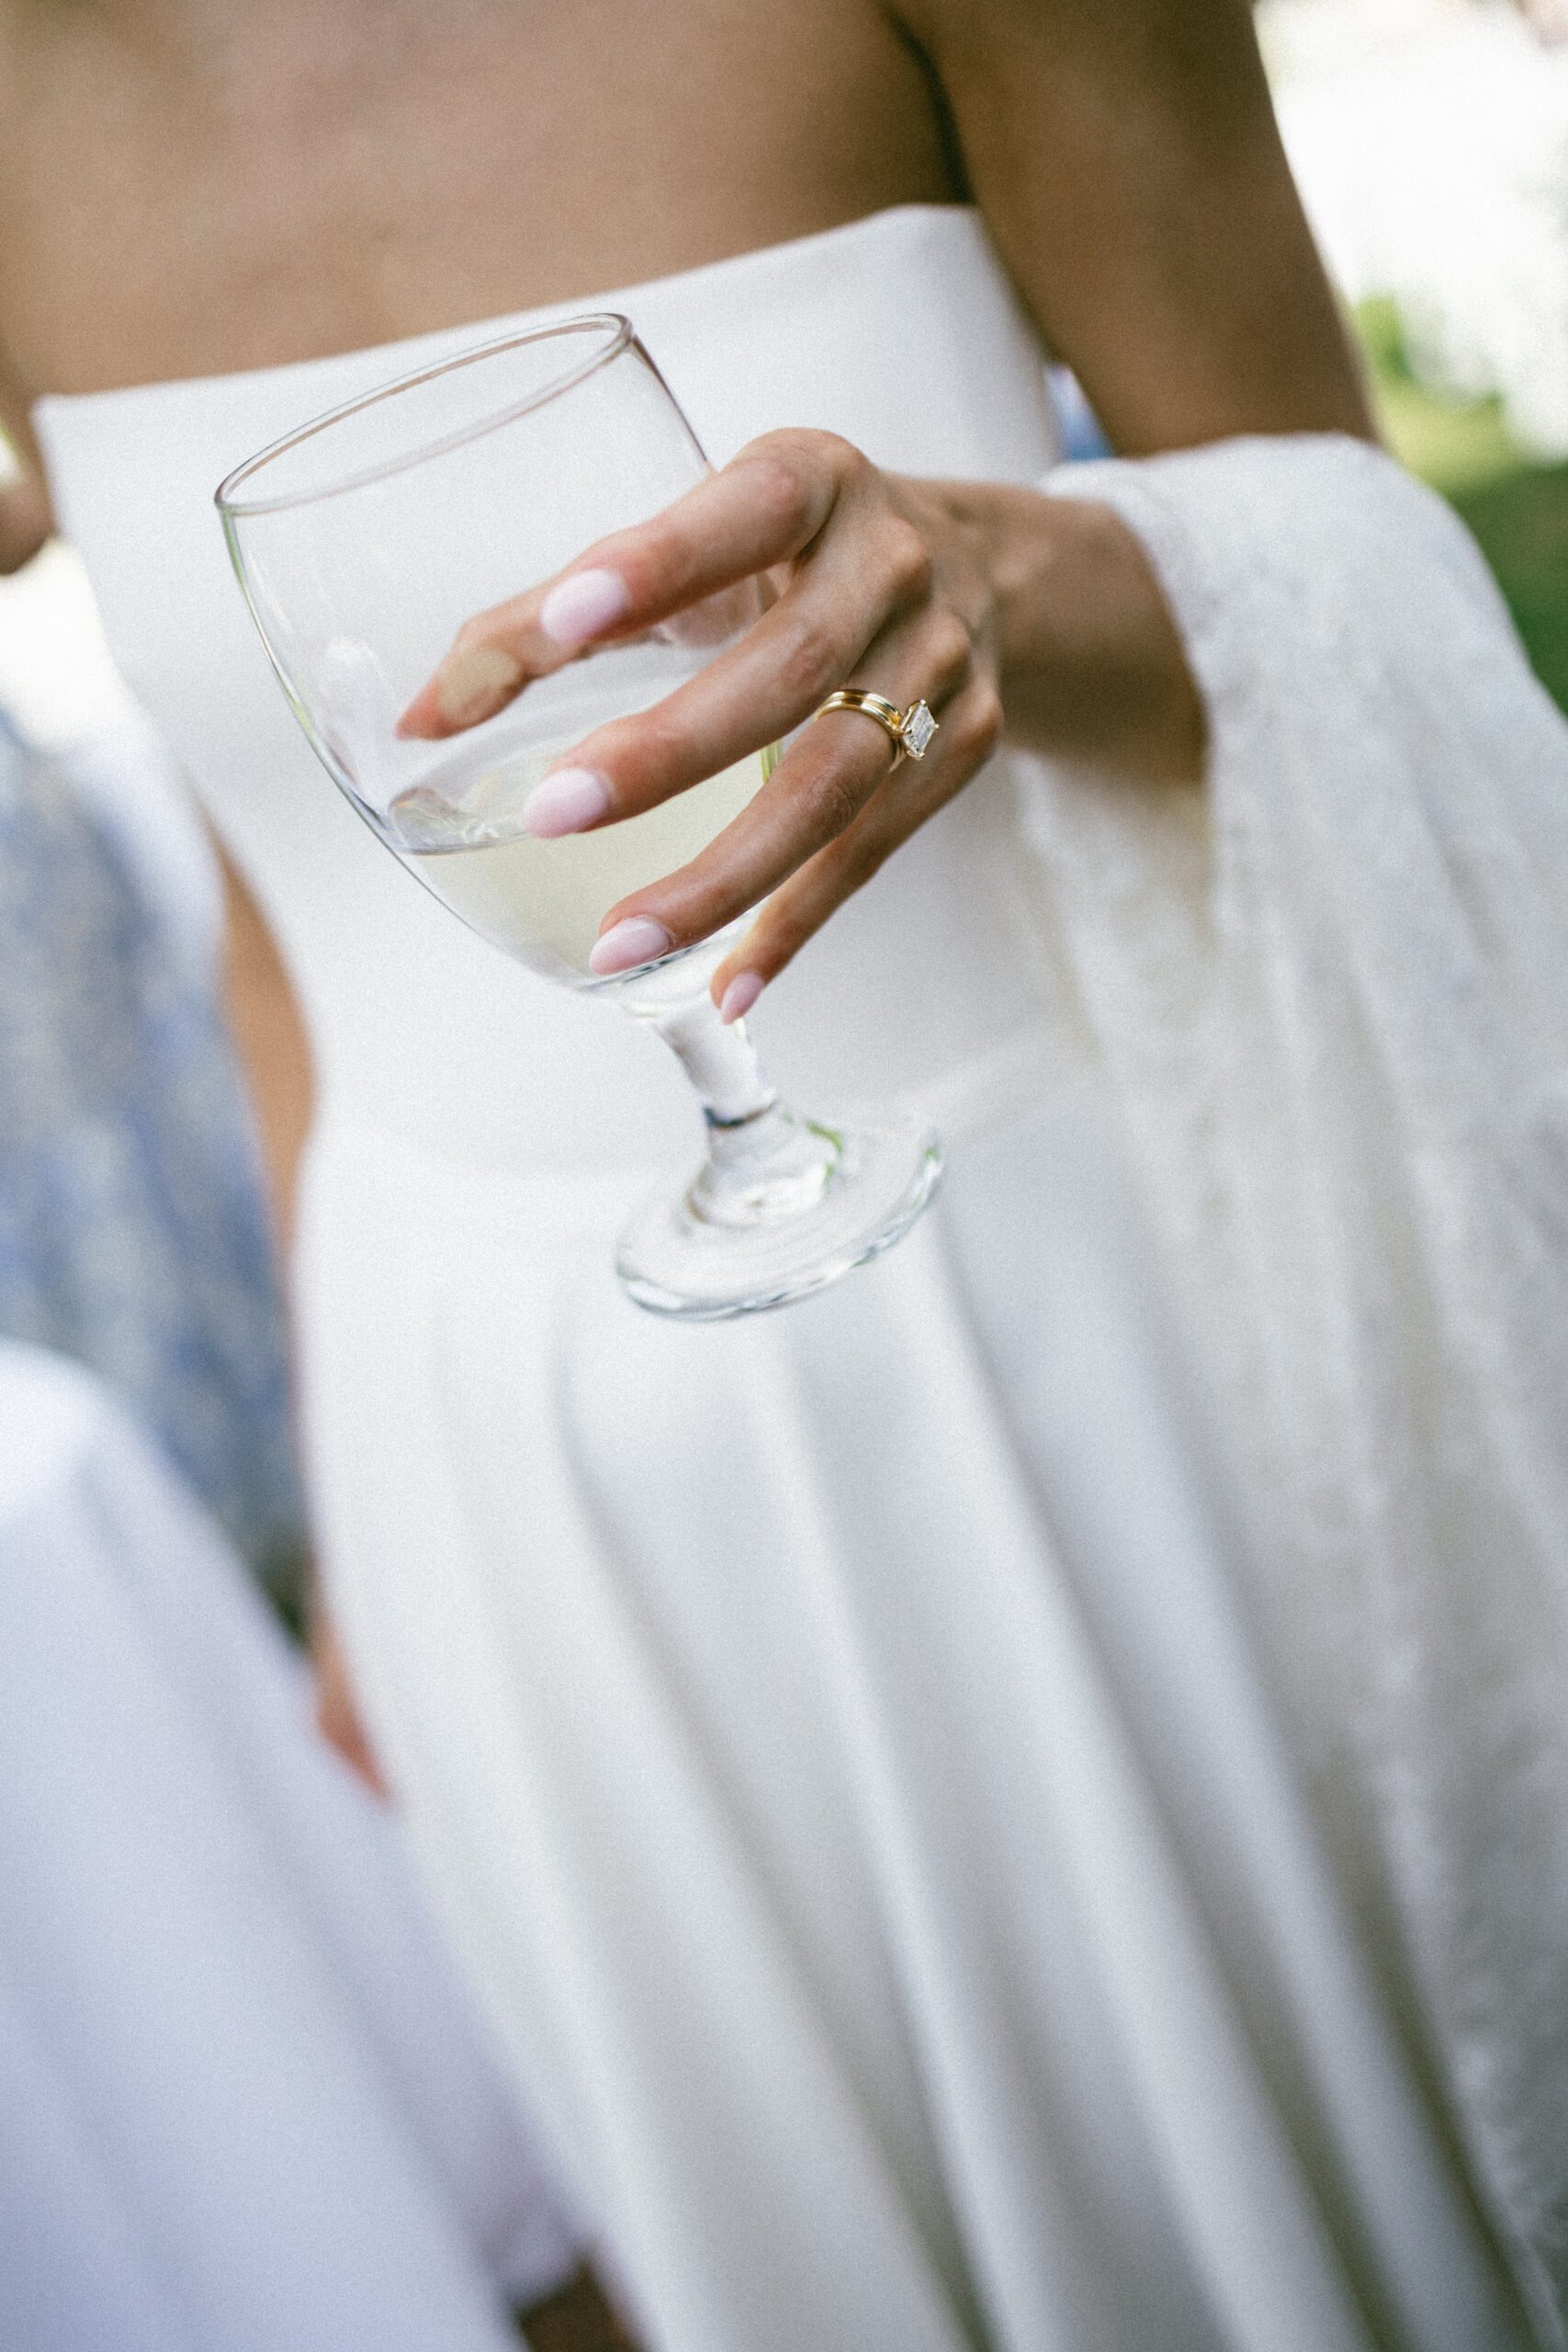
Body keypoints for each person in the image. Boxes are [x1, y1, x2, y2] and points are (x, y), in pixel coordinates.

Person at [3, 3, 1566, 2344]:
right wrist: (361, 1531)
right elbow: (275, 911)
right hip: (502, 1498)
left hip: (1081, 1365)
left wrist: (989, 572)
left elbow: (1354, 591)